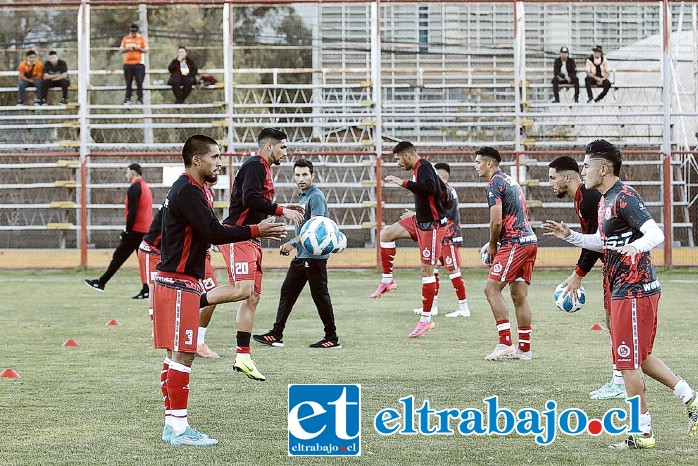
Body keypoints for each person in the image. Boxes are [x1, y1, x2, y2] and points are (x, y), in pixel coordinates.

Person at [542, 139, 698, 449]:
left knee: (626, 362)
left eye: (586, 166)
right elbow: (602, 241)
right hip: (624, 288)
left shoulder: (625, 196)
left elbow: (656, 233)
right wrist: (570, 236)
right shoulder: (603, 201)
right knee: (640, 357)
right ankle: (691, 400)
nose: (582, 171)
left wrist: (636, 246)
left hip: (634, 289)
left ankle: (642, 433)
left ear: (603, 168)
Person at [153, 134, 286, 446]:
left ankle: (172, 427)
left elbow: (203, 233)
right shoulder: (187, 189)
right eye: (214, 157)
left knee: (176, 356)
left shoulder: (197, 190)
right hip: (176, 282)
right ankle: (179, 429)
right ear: (197, 160)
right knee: (183, 357)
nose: (218, 162)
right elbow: (213, 231)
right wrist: (256, 229)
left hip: (180, 281)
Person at [198, 128, 304, 381]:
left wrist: (278, 213)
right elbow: (250, 198)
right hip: (237, 235)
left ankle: (243, 357)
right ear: (269, 146)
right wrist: (281, 211)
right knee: (243, 289)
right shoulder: (256, 165)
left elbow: (255, 203)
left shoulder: (263, 169)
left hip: (252, 238)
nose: (285, 153)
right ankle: (190, 302)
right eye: (283, 148)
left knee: (253, 297)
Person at [546, 155, 626, 400]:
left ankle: (622, 381)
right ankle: (619, 379)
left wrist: (577, 275)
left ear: (567, 177)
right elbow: (593, 240)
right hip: (612, 268)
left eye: (552, 178)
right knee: (613, 324)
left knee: (618, 326)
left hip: (622, 268)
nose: (549, 183)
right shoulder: (582, 198)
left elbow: (597, 243)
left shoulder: (589, 198)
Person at [253, 159, 341, 349]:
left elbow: (317, 228)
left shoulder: (315, 196)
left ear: (313, 175)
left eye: (305, 174)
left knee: (320, 295)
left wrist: (292, 243)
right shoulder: (303, 196)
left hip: (313, 258)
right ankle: (276, 334)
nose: (301, 178)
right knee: (288, 291)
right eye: (297, 175)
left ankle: (332, 338)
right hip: (302, 257)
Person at [379, 141, 448, 338]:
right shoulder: (421, 168)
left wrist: (402, 182)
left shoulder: (424, 167)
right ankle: (387, 280)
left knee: (427, 271)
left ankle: (426, 320)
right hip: (420, 221)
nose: (398, 162)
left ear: (407, 156)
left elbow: (428, 187)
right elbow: (437, 191)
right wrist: (418, 212)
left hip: (432, 227)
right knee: (386, 234)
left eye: (398, 158)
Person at [475, 147, 537, 361]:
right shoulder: (510, 180)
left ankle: (505, 343)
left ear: (489, 164)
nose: (476, 167)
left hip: (515, 241)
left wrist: (493, 245)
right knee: (519, 295)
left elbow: (496, 220)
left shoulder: (494, 184)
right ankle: (525, 349)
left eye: (478, 163)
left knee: (491, 289)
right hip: (529, 240)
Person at [408, 162, 471, 318]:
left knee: (453, 271)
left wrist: (414, 215)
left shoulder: (444, 191)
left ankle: (464, 307)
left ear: (441, 176)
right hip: (441, 236)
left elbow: (435, 212)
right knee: (433, 268)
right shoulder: (446, 190)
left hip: (449, 235)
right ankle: (433, 306)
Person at [85, 163, 153, 297]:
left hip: (135, 231)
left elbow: (133, 212)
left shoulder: (134, 188)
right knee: (143, 261)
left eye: (127, 173)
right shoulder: (145, 187)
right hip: (144, 230)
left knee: (118, 257)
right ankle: (146, 289)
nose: (126, 175)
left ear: (132, 173)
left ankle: (101, 283)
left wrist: (127, 230)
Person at [120, 23, 148, 105]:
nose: (133, 34)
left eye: (135, 32)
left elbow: (146, 50)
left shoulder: (141, 39)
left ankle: (140, 99)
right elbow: (121, 50)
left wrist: (138, 48)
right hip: (128, 64)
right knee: (128, 82)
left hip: (138, 64)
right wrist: (127, 48)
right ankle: (127, 99)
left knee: (139, 82)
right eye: (132, 32)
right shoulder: (126, 38)